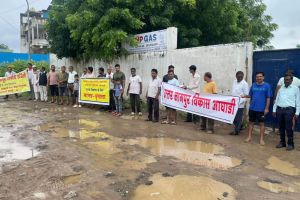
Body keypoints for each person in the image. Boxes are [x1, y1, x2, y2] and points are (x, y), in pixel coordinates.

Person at [273, 74, 300, 151]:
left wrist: (297, 112)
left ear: (291, 80)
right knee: (281, 127)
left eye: (288, 80)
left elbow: (298, 101)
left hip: (289, 110)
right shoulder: (281, 88)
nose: (286, 81)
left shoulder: (295, 89)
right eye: (285, 80)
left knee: (289, 127)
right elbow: (277, 99)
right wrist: (274, 110)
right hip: (279, 110)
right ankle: (282, 142)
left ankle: (291, 144)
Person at [245, 72, 272, 145]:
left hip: (261, 109)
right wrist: (243, 96)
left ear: (263, 77)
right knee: (250, 123)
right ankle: (249, 137)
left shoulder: (267, 86)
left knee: (261, 124)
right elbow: (250, 95)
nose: (258, 78)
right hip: (252, 108)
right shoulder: (253, 85)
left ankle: (261, 139)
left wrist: (266, 108)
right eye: (257, 77)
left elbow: (268, 98)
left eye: (260, 76)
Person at [230, 71, 249, 135]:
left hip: (240, 104)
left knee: (238, 118)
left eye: (240, 77)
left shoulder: (245, 84)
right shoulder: (234, 82)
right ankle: (240, 126)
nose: (239, 78)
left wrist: (240, 102)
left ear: (243, 76)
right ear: (236, 76)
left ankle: (236, 131)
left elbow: (246, 94)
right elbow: (233, 91)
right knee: (232, 117)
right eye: (238, 77)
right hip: (233, 102)